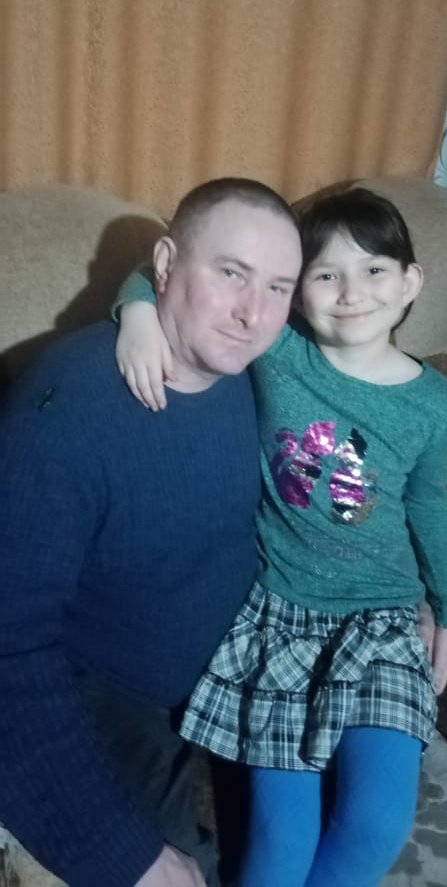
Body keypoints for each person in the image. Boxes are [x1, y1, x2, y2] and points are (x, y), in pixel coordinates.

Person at [113, 187, 447, 887]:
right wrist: (138, 316)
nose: (351, 293)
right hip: (279, 622)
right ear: (298, 294)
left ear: (410, 282)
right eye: (326, 274)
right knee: (282, 839)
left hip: (385, 621)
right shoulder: (279, 351)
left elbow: (429, 503)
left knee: (376, 824)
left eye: (374, 270)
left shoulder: (437, 404)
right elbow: (156, 273)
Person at [0, 178, 303, 887]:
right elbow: (10, 645)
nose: (253, 314)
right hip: (108, 691)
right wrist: (121, 853)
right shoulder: (63, 412)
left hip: (233, 662)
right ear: (165, 265)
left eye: (278, 287)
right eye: (230, 273)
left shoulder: (271, 373)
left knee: (314, 829)